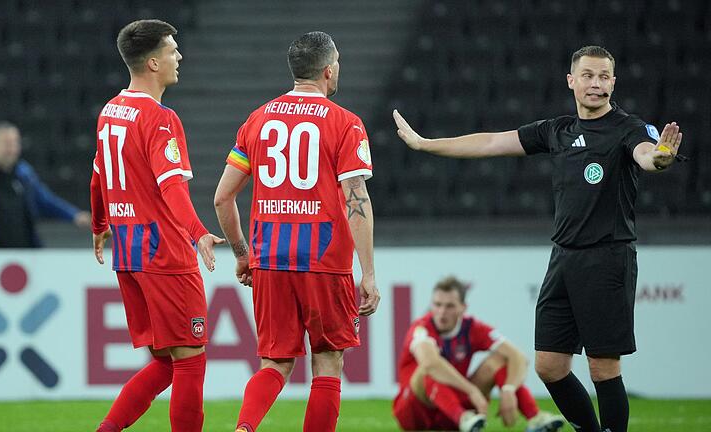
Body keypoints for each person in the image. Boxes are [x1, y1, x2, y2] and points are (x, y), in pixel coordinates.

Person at [394, 45, 683, 432]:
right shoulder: (557, 131)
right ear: (572, 81)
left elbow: (649, 155)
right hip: (563, 259)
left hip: (607, 259)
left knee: (602, 367)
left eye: (603, 77)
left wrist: (661, 157)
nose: (595, 84)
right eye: (587, 75)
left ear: (613, 82)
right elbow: (493, 142)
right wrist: (426, 144)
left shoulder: (629, 129)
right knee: (549, 366)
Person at [214, 31, 379, 432]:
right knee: (327, 360)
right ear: (328, 70)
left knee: (275, 363)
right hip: (324, 261)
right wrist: (368, 272)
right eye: (337, 62)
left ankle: (244, 428)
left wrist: (241, 253)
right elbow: (357, 201)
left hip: (270, 259)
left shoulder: (257, 119)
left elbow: (222, 198)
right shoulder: (346, 123)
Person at [90, 19, 224, 432]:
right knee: (190, 360)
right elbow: (172, 189)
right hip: (163, 253)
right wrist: (198, 232)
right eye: (171, 50)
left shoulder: (111, 110)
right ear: (152, 63)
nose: (178, 56)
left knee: (167, 362)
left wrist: (100, 224)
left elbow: (97, 176)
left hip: (129, 253)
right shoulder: (159, 118)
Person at [394, 276, 565, 432]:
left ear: (463, 307)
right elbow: (431, 363)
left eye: (449, 306)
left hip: (453, 407)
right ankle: (464, 418)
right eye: (437, 304)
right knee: (428, 370)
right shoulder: (421, 328)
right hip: (414, 413)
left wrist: (508, 389)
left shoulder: (473, 328)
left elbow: (518, 357)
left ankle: (534, 418)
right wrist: (472, 391)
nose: (441, 312)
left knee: (498, 361)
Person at [0, 121, 91, 247]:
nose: (12, 149)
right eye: (7, 144)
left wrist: (74, 215)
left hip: (24, 252)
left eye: (15, 143)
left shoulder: (24, 173)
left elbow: (46, 201)